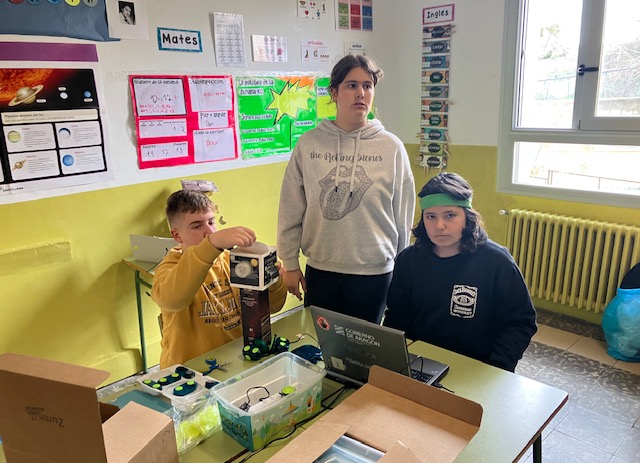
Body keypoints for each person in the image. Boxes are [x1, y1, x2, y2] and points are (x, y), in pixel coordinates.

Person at [277, 54, 416, 323]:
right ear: (334, 92)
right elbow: (290, 207)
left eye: (368, 85)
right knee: (321, 342)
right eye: (351, 85)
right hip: (322, 270)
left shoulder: (392, 147)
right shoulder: (309, 144)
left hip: (375, 273)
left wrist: (402, 268)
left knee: (365, 344)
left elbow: (404, 213)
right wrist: (290, 264)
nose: (361, 93)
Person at [384, 173, 537, 371]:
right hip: (420, 362)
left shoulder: (497, 262)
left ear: (467, 217)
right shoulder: (408, 260)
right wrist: (395, 359)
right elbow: (397, 316)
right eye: (431, 216)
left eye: (450, 215)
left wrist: (497, 367)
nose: (439, 226)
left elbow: (520, 322)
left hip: (478, 367)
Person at [151, 190, 288, 368]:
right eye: (197, 226)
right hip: (191, 370)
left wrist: (273, 282)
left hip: (237, 361)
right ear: (177, 235)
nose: (209, 232)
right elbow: (172, 299)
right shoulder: (170, 267)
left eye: (211, 222)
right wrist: (211, 244)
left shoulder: (232, 261)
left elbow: (273, 307)